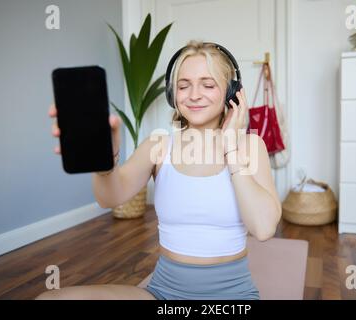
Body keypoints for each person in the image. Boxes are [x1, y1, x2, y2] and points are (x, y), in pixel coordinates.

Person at [37, 40, 282, 300]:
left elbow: (264, 228)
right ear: (172, 94)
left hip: (233, 297)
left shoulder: (250, 146)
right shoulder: (158, 146)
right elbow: (108, 198)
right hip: (164, 294)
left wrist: (231, 148)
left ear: (232, 93)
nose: (194, 94)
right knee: (50, 299)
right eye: (183, 86)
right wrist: (105, 164)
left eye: (208, 85)